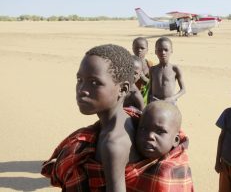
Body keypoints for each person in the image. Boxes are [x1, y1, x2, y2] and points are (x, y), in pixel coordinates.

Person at [41, 44, 141, 192]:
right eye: (79, 80)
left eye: (95, 82)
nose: (82, 90)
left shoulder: (114, 143)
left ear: (123, 89)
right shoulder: (125, 121)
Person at [128, 100, 194, 191]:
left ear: (175, 140)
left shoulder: (170, 172)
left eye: (160, 131)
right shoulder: (130, 157)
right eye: (143, 129)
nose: (150, 136)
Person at [148, 37, 186, 104]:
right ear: (155, 52)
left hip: (170, 102)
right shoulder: (152, 69)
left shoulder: (175, 69)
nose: (163, 52)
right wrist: (148, 104)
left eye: (166, 50)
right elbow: (150, 89)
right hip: (154, 102)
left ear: (171, 51)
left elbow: (183, 90)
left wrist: (173, 98)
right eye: (159, 50)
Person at [132, 37, 153, 104]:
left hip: (147, 99)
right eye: (136, 48)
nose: (139, 50)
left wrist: (144, 79)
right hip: (132, 98)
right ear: (132, 48)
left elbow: (155, 84)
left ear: (147, 50)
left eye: (142, 48)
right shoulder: (129, 64)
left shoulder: (150, 65)